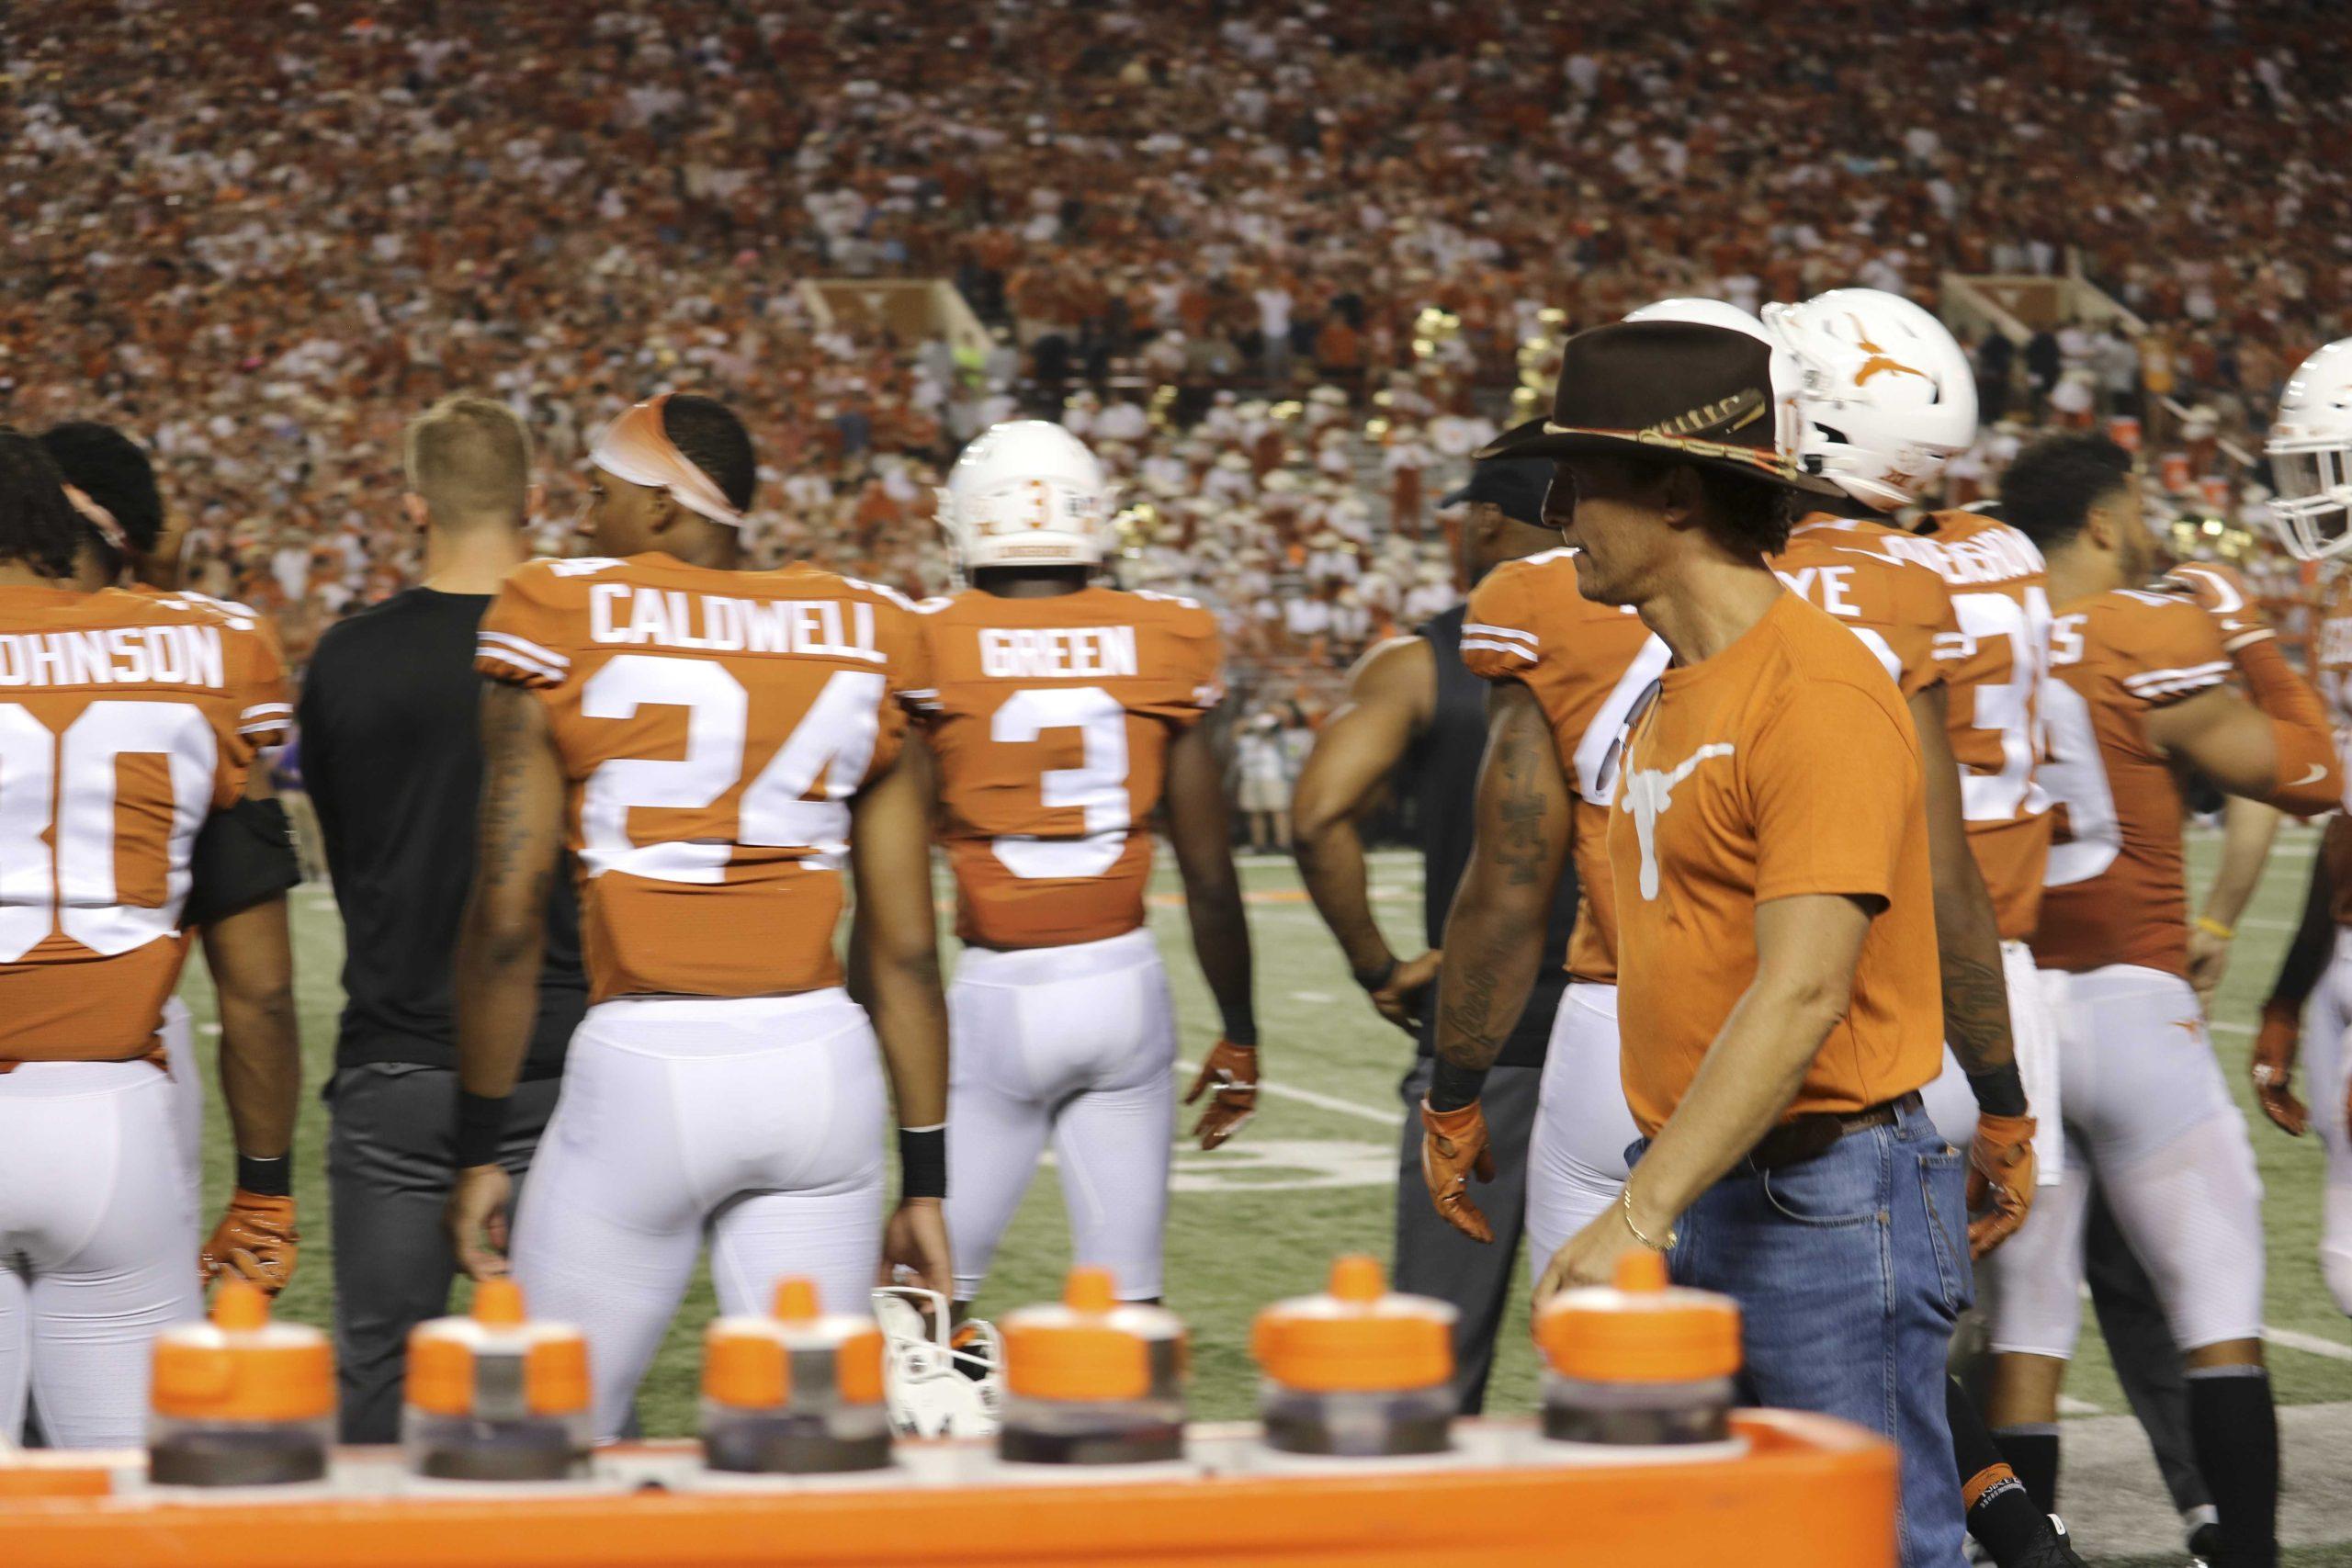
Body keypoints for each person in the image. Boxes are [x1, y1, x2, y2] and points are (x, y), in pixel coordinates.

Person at [1487, 319, 1969, 1566]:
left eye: (1582, 478)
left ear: (1679, 489)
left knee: (1875, 1547)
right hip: (1720, 1175)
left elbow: (1805, 988)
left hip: (1825, 1194)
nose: (1556, 511)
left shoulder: (1811, 689)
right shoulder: (1676, 682)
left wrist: (1637, 1214)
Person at [443, 392, 952, 1441]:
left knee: (539, 1440)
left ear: (669, 509)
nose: (581, 522)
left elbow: (503, 923)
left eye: (599, 496)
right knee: (811, 1457)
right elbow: (902, 950)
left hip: (648, 1059)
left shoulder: (558, 610)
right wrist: (930, 1178)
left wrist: (481, 1145)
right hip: (824, 1069)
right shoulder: (870, 624)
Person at [1981, 433, 2340, 1568]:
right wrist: (2244, 631)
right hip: (2137, 1002)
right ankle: (2238, 1554)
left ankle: (2018, 1556)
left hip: (2014, 1018)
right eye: (2134, 507)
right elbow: (2315, 771)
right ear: (2100, 519)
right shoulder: (2144, 630)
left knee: (2024, 1337)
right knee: (2217, 1315)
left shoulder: (1971, 642)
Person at [295, 396, 589, 1441]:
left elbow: (342, 844)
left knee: (377, 1375)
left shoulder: (344, 657)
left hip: (400, 1066)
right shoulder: (583, 649)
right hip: (564, 1064)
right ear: (539, 500)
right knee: (581, 1383)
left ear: (413, 503)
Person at [917, 420, 1257, 1316]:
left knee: (928, 1290)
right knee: (1125, 1294)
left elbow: (897, 868)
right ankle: (1126, 1443)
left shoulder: (928, 640)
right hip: (1122, 985)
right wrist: (1241, 1031)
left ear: (965, 524)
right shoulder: (1166, 635)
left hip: (997, 990)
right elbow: (1212, 878)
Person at [0, 431, 297, 1446]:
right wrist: (264, 1188)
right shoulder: (208, 647)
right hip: (111, 1122)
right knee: (135, 1518)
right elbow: (257, 990)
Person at [1290, 455, 1581, 1411]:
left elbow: (1318, 814)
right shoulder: (1670, 635)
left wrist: (1379, 966)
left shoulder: (1427, 658)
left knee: (1434, 1355)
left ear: (1493, 524)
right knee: (1639, 1357)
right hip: (1642, 1025)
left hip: (1487, 1030)